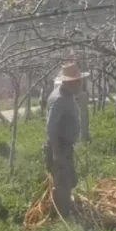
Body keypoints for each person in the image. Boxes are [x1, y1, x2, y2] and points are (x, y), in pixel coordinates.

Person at [45, 62, 88, 218]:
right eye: (78, 82)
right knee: (62, 182)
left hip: (64, 146)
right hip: (60, 147)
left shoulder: (65, 95)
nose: (80, 85)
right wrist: (57, 153)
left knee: (68, 180)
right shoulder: (60, 100)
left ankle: (66, 209)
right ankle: (64, 215)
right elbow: (51, 128)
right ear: (70, 83)